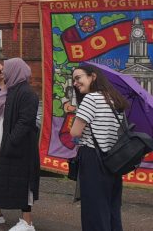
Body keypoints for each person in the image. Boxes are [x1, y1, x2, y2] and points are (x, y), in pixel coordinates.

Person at [0, 58, 39, 231]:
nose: (4, 73)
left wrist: (11, 141)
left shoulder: (26, 93)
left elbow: (25, 121)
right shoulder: (8, 90)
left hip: (16, 145)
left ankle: (27, 222)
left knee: (21, 181)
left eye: (7, 69)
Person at [70, 65, 128, 231]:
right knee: (111, 206)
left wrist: (78, 115)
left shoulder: (91, 99)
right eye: (74, 79)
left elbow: (75, 132)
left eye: (78, 77)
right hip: (114, 158)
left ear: (93, 77)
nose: (75, 83)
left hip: (93, 157)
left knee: (94, 208)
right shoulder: (115, 98)